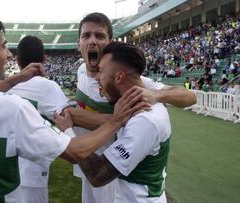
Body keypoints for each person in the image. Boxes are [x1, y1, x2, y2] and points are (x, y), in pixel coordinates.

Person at [0, 10, 147, 203]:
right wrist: (117, 120)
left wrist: (15, 79)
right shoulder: (12, 110)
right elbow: (75, 151)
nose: (9, 54)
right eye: (3, 46)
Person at [67, 12, 195, 203]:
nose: (92, 41)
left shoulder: (127, 80)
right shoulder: (81, 72)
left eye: (99, 36)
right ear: (79, 45)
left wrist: (158, 94)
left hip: (113, 173)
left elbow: (190, 97)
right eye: (86, 36)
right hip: (88, 160)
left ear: (110, 42)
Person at [78, 41, 171, 202]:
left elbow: (98, 175)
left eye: (101, 71)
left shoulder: (144, 120)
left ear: (120, 76)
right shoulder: (135, 107)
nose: (97, 77)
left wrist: (68, 133)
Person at [7, 35, 70, 203]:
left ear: (18, 60)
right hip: (32, 172)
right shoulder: (48, 87)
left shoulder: (7, 85)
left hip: (5, 168)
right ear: (44, 58)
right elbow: (68, 116)